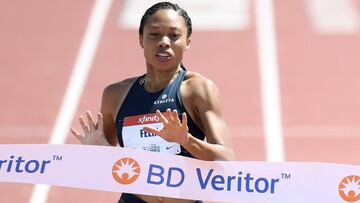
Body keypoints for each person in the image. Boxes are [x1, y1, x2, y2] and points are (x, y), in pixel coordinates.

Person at [71, 2, 236, 203]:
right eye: (154, 34)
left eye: (174, 35)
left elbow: (226, 159)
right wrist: (99, 151)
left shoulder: (197, 90)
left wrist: (186, 140)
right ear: (141, 39)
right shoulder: (116, 94)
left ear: (188, 42)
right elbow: (109, 166)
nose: (164, 42)